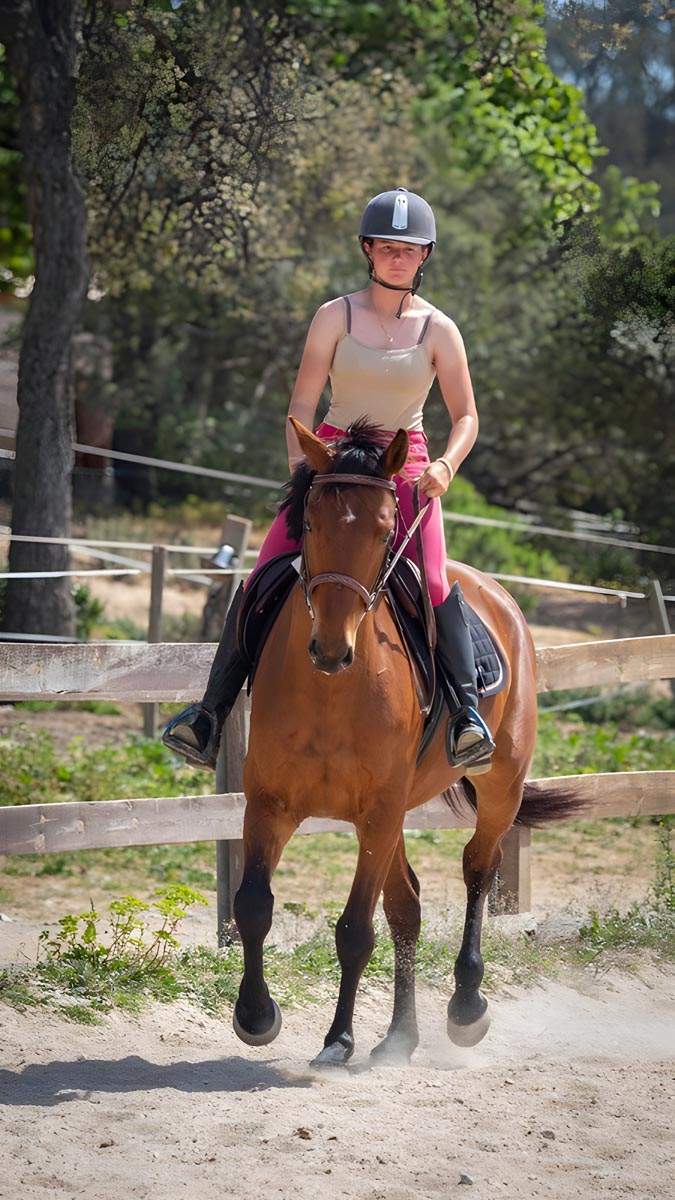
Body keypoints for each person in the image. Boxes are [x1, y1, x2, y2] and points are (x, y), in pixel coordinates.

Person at [162, 186, 495, 775]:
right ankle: (208, 714)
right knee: (263, 572)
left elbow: (466, 415)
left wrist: (445, 464)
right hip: (334, 459)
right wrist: (304, 473)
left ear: (425, 256)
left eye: (409, 249)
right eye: (387, 247)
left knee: (437, 581)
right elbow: (302, 402)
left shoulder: (440, 329)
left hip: (405, 464)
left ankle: (467, 716)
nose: (398, 257)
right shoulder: (334, 315)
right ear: (368, 249)